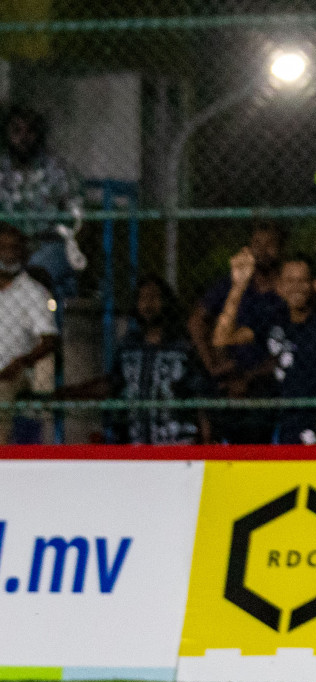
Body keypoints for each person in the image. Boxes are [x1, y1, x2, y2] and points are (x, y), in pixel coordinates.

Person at [212, 254, 316, 445]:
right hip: (291, 424)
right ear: (279, 286)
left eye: (303, 281)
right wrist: (238, 286)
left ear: (314, 285)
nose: (296, 287)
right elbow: (222, 338)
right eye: (289, 281)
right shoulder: (274, 318)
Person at [61, 275, 210, 445]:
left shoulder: (183, 347)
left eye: (154, 297)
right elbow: (113, 383)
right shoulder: (129, 346)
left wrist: (206, 438)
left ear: (165, 302)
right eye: (143, 298)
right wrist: (72, 392)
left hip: (177, 445)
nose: (148, 304)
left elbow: (200, 394)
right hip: (135, 444)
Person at [190, 224, 286, 443]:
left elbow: (288, 346)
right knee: (203, 388)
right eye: (257, 244)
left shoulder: (286, 290)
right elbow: (196, 321)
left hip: (268, 380)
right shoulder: (232, 283)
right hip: (228, 375)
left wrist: (247, 378)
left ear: (281, 249)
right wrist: (212, 365)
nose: (263, 251)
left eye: (270, 244)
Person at [0, 106, 83, 298]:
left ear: (39, 134)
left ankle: (35, 327)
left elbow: (80, 221)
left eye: (30, 131)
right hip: (7, 246)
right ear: (7, 134)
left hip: (48, 245)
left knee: (35, 274)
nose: (23, 137)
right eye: (16, 131)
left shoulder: (59, 170)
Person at [0, 223, 58, 445]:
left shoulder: (33, 292)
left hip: (14, 373)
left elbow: (49, 339)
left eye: (14, 249)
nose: (8, 255)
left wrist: (21, 362)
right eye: (2, 248)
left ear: (24, 254)